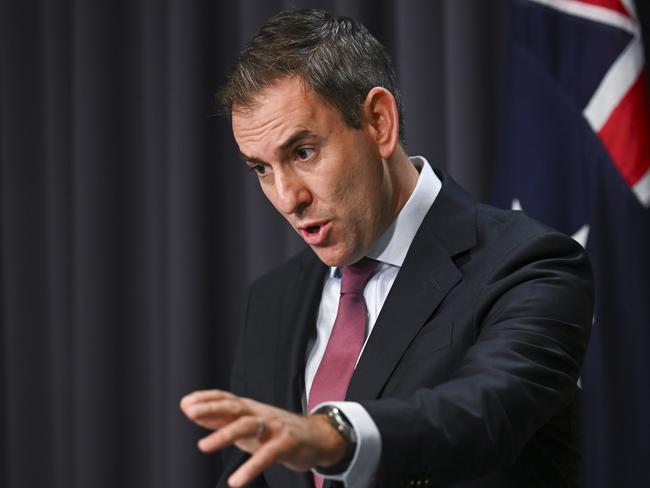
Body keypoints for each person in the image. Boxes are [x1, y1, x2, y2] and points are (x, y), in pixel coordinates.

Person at [180, 9, 593, 488]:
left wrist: (334, 436)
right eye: (261, 169)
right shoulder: (271, 301)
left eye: (302, 152)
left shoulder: (531, 264)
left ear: (379, 122)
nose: (287, 197)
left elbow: (482, 413)